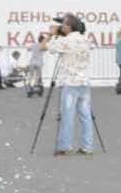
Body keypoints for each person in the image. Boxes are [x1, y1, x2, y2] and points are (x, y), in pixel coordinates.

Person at [42, 14, 94, 156]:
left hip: (70, 83)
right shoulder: (86, 40)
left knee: (67, 115)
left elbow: (43, 46)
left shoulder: (65, 41)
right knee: (86, 116)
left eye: (64, 24)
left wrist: (51, 35)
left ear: (69, 26)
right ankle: (87, 146)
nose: (62, 26)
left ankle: (65, 146)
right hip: (84, 82)